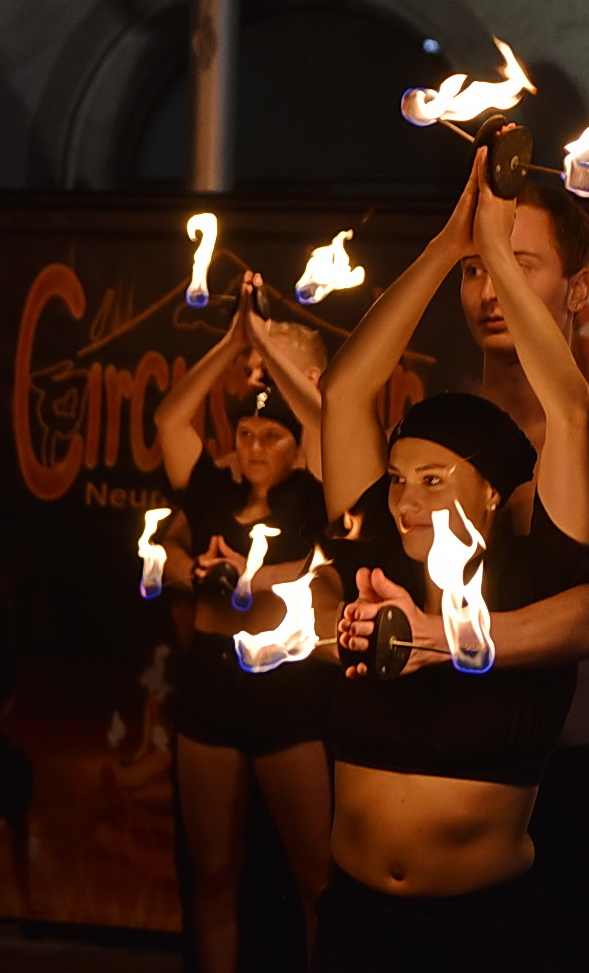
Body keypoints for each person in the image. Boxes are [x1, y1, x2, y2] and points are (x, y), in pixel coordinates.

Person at [339, 149, 589, 971]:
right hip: (452, 768)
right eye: (476, 269)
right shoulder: (434, 442)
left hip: (575, 773)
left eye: (516, 262)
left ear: (577, 287)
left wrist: (449, 639)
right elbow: (345, 406)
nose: (490, 288)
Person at [151, 274, 336, 973]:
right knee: (214, 872)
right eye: (247, 431)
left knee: (315, 875)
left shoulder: (315, 486)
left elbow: (325, 423)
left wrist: (255, 579)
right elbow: (171, 421)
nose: (256, 445)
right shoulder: (215, 486)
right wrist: (233, 341)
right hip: (211, 683)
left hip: (288, 691)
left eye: (271, 433)